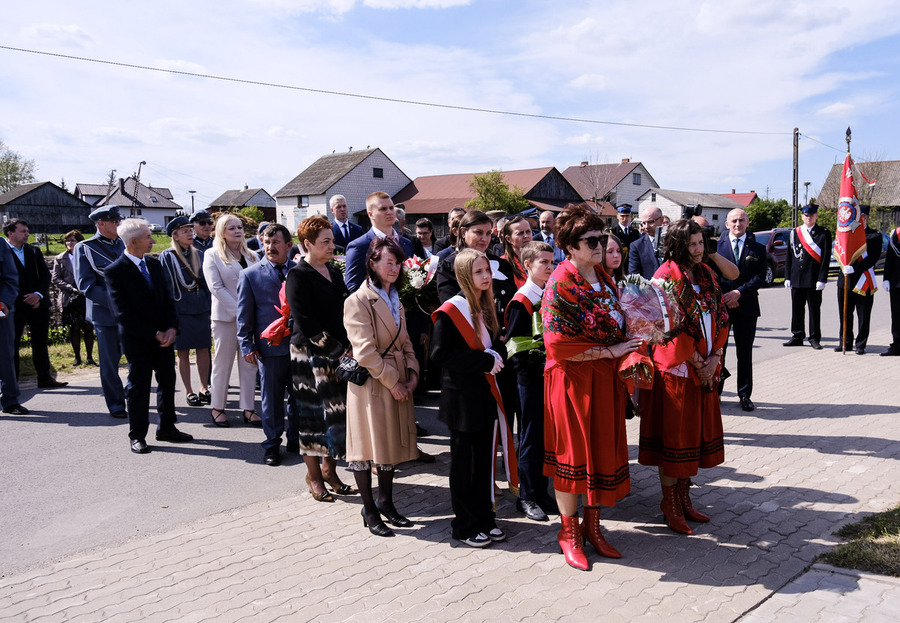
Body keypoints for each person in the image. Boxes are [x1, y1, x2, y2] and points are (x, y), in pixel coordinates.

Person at [541, 204, 641, 570]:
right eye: (592, 240)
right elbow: (557, 344)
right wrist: (608, 350)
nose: (600, 245)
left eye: (602, 237)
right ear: (570, 246)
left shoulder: (603, 276)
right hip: (573, 382)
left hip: (604, 380)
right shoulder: (560, 283)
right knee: (572, 458)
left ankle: (593, 528)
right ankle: (569, 533)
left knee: (599, 454)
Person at [640, 219, 728, 534]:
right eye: (692, 244)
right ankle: (670, 504)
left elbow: (721, 314)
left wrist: (715, 357)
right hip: (677, 370)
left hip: (706, 364)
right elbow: (663, 328)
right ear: (678, 246)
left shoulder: (706, 274)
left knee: (692, 437)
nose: (699, 249)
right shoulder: (664, 278)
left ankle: (684, 497)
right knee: (674, 440)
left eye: (701, 243)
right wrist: (697, 361)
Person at [431, 249, 509, 547]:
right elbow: (439, 355)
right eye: (478, 272)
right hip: (461, 399)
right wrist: (483, 361)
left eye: (487, 270)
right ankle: (464, 526)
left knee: (485, 463)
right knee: (464, 465)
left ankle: (485, 519)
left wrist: (496, 355)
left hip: (485, 394)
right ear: (464, 275)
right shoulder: (451, 311)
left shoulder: (487, 305)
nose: (486, 276)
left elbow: (496, 345)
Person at [344, 238, 419, 536]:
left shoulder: (395, 298)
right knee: (366, 447)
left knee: (388, 445)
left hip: (396, 376)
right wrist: (393, 382)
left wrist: (412, 372)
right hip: (372, 383)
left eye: (397, 263)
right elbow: (364, 351)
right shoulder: (358, 300)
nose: (394, 268)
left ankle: (386, 502)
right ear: (372, 263)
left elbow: (407, 340)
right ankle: (369, 508)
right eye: (388, 262)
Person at [105, 218, 193, 454]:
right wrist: (154, 333)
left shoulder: (154, 265)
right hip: (138, 340)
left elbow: (167, 300)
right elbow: (123, 313)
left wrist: (172, 328)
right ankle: (137, 435)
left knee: (167, 382)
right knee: (139, 388)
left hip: (165, 339)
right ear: (133, 242)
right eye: (148, 237)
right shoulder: (115, 272)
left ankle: (167, 427)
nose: (153, 241)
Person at [287, 215, 354, 500]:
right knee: (313, 418)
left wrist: (349, 345)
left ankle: (330, 471)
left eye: (332, 240)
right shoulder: (298, 275)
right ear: (307, 244)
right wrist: (338, 350)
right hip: (309, 354)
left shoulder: (333, 271)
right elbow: (306, 321)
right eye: (325, 241)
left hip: (337, 353)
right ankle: (314, 477)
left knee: (337, 415)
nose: (332, 246)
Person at [503, 240, 558, 522]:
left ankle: (541, 491)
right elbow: (515, 345)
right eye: (543, 263)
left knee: (544, 438)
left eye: (552, 262)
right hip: (529, 379)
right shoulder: (522, 300)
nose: (550, 267)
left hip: (548, 377)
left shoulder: (549, 293)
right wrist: (538, 364)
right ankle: (526, 496)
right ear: (527, 265)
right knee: (529, 437)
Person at [238, 223, 299, 466]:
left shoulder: (299, 271)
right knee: (271, 399)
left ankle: (295, 439)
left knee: (298, 396)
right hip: (270, 347)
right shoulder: (250, 275)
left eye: (275, 243)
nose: (270, 247)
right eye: (266, 243)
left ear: (288, 245)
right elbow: (244, 315)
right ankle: (272, 443)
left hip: (299, 345)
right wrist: (247, 345)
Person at [203, 214, 259, 428]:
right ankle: (218, 408)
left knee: (249, 364)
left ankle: (249, 409)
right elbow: (216, 287)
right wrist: (240, 312)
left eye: (240, 227)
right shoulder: (212, 255)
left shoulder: (253, 255)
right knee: (222, 364)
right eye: (232, 228)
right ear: (222, 232)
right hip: (226, 318)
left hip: (251, 319)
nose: (237, 231)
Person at [74, 206, 127, 418]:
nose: (118, 224)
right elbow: (86, 285)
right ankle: (116, 404)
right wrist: (117, 302)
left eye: (119, 220)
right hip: (106, 314)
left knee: (139, 358)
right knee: (110, 363)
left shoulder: (125, 244)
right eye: (114, 221)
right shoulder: (85, 248)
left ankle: (132, 393)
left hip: (131, 314)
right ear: (100, 223)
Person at [4, 219, 67, 388]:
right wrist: (24, 298)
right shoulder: (3, 253)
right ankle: (12, 382)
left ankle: (45, 378)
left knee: (40, 342)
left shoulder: (34, 250)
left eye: (28, 231)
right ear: (10, 233)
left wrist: (38, 295)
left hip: (38, 305)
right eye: (23, 231)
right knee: (11, 345)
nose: (28, 234)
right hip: (14, 306)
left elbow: (46, 275)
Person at [717, 208, 766, 411]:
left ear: (747, 223)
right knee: (719, 352)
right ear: (727, 224)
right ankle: (716, 393)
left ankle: (744, 395)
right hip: (722, 306)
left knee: (744, 353)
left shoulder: (758, 248)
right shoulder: (716, 248)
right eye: (734, 221)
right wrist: (726, 296)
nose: (738, 224)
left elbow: (760, 277)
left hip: (747, 307)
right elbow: (712, 275)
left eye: (741, 220)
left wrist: (739, 293)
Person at [160, 217, 212, 407]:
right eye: (185, 231)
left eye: (190, 230)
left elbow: (207, 283)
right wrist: (169, 314)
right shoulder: (168, 256)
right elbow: (166, 285)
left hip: (200, 307)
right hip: (180, 308)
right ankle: (189, 391)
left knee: (204, 348)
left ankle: (204, 387)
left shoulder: (199, 254)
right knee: (183, 351)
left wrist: (210, 308)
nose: (190, 234)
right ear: (175, 235)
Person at [344, 192, 414, 293]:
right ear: (370, 214)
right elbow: (353, 287)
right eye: (383, 209)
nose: (389, 212)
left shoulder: (407, 243)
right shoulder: (359, 246)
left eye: (391, 208)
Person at [784, 203, 831, 350]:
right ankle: (797, 335)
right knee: (796, 309)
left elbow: (825, 259)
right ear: (802, 216)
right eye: (805, 215)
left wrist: (822, 279)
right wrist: (787, 276)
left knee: (814, 310)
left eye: (811, 215)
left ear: (816, 216)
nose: (808, 217)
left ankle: (814, 338)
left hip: (813, 278)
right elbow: (789, 256)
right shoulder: (795, 233)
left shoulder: (823, 233)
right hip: (797, 277)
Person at [835, 205, 882, 355]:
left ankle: (861, 344)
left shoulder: (875, 235)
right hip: (845, 280)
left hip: (864, 280)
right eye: (858, 217)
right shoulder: (845, 233)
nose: (861, 219)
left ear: (867, 217)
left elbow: (873, 258)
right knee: (845, 314)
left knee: (863, 315)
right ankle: (845, 342)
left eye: (863, 216)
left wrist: (855, 268)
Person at [51, 230, 96, 367]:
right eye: (67, 240)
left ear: (79, 242)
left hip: (86, 296)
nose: (69, 243)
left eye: (73, 240)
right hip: (70, 297)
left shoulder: (86, 256)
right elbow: (55, 278)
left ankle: (90, 357)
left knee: (88, 327)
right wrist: (71, 288)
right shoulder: (60, 258)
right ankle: (77, 357)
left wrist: (87, 287)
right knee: (74, 328)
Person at [0, 238, 26, 414]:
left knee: (4, 355)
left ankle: (10, 401)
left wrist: (4, 301)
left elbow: (11, 276)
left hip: (0, 308)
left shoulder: (0, 244)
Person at [627, 205, 663, 279]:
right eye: (643, 223)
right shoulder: (637, 246)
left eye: (650, 222)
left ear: (661, 220)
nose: (646, 226)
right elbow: (634, 276)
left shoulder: (672, 242)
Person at [500, 215, 533, 289]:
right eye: (520, 233)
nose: (526, 236)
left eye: (528, 231)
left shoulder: (539, 259)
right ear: (508, 239)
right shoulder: (503, 264)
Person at [883, 225, 900, 356]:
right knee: (896, 316)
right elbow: (889, 257)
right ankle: (897, 346)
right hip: (896, 282)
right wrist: (886, 278)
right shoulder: (896, 234)